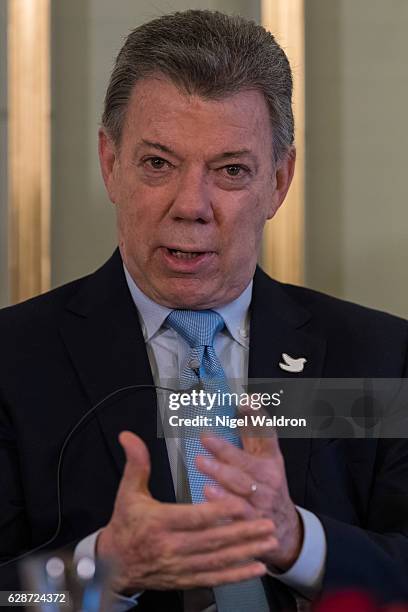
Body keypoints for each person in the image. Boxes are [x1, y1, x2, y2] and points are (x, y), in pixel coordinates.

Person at [1, 9, 408, 612]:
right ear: (111, 163)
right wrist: (102, 570)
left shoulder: (380, 358)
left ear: (280, 180)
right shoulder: (12, 360)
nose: (191, 205)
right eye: (159, 164)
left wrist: (297, 541)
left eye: (231, 170)